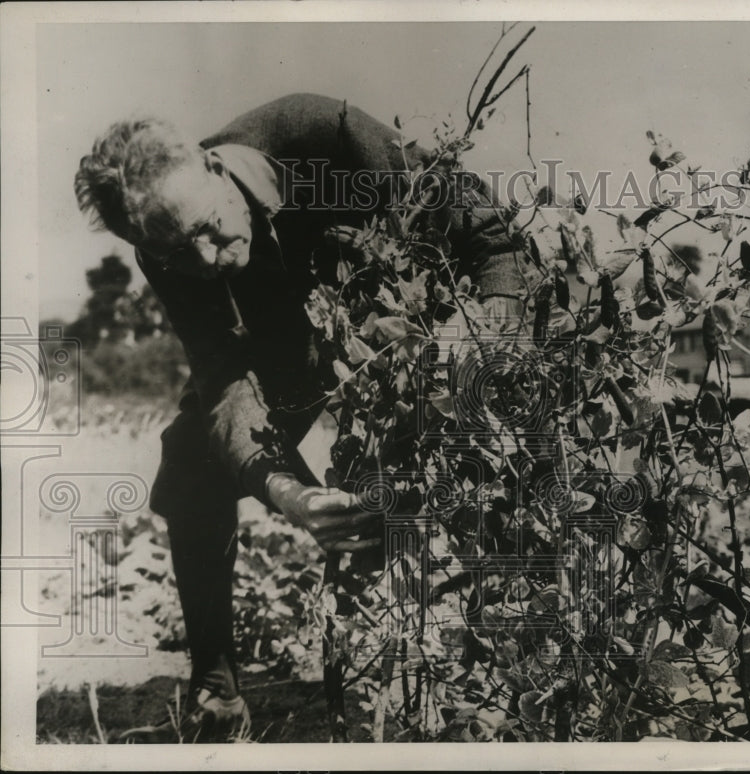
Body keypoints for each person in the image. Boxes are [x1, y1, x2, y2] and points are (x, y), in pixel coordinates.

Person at [74, 93, 540, 741]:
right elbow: (223, 378)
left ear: (215, 168)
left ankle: (525, 662)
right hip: (296, 343)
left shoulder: (328, 139)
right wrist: (288, 492)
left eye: (208, 227)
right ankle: (216, 691)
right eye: (179, 252)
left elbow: (491, 240)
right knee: (191, 463)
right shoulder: (159, 242)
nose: (206, 260)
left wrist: (475, 347)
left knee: (501, 472)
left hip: (424, 317)